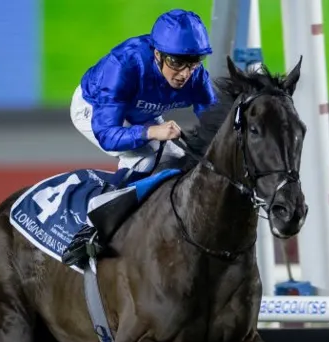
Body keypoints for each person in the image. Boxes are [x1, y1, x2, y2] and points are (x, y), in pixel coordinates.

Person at [63, 9, 218, 267]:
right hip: (94, 108)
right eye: (176, 63)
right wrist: (151, 131)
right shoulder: (123, 65)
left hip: (138, 112)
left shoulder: (196, 75)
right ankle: (90, 230)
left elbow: (215, 122)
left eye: (193, 62)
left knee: (179, 159)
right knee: (144, 158)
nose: (184, 73)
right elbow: (107, 135)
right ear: (157, 54)